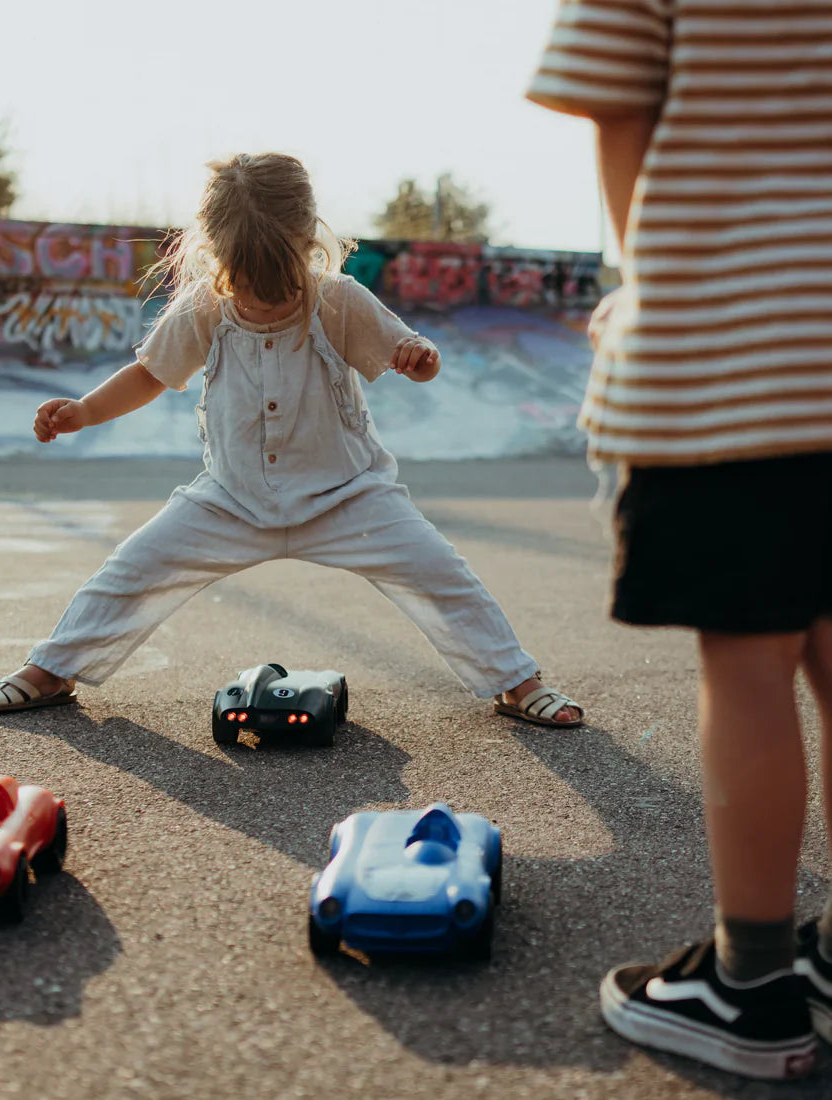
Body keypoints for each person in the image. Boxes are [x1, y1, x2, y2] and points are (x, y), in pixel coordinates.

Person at [0, 153, 583, 732]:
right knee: (131, 570)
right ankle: (52, 669)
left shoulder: (337, 298)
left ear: (307, 241)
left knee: (441, 574)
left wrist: (420, 359)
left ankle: (514, 680)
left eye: (277, 275)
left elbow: (411, 354)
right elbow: (149, 374)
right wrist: (84, 411)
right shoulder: (204, 307)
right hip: (230, 499)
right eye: (244, 277)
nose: (260, 293)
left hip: (350, 497)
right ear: (214, 252)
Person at [528, 0, 832, 1081]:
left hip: (747, 354)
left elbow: (618, 104)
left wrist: (649, 283)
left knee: (749, 665)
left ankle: (747, 984)